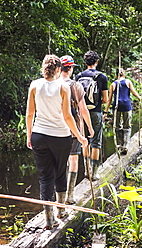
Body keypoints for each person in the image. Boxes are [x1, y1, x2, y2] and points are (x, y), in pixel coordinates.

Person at [26, 54, 88, 229]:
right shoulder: (63, 87)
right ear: (59, 70)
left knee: (45, 177)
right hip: (60, 136)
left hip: (39, 134)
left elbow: (30, 114)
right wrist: (80, 136)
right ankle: (60, 211)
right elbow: (68, 116)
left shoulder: (34, 85)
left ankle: (48, 219)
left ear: (43, 68)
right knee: (60, 172)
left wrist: (29, 135)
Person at [59, 55, 94, 205]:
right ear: (71, 68)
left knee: (61, 162)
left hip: (57, 129)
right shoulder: (75, 86)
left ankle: (59, 197)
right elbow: (83, 110)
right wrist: (90, 128)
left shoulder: (52, 84)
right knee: (73, 161)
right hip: (74, 130)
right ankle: (70, 196)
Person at [75, 50, 108, 180]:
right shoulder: (102, 77)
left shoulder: (78, 76)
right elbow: (105, 99)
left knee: (84, 141)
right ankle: (94, 173)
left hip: (82, 113)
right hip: (96, 111)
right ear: (96, 62)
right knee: (96, 142)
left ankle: (86, 171)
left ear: (85, 62)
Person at [104, 68, 141, 155]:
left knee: (117, 126)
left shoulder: (113, 84)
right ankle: (126, 145)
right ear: (123, 74)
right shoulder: (128, 82)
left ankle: (120, 144)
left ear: (116, 75)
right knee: (127, 126)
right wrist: (139, 98)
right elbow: (133, 92)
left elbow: (109, 100)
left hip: (117, 106)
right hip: (126, 105)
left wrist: (105, 112)